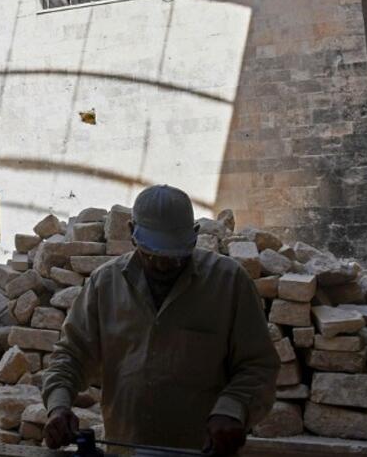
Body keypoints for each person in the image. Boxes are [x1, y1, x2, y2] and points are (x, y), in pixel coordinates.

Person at [42, 185, 279, 455]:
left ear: (195, 236)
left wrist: (232, 410)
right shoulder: (104, 284)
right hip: (126, 446)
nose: (164, 265)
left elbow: (258, 365)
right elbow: (71, 356)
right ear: (132, 233)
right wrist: (58, 406)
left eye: (176, 256)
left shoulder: (229, 283)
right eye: (153, 254)